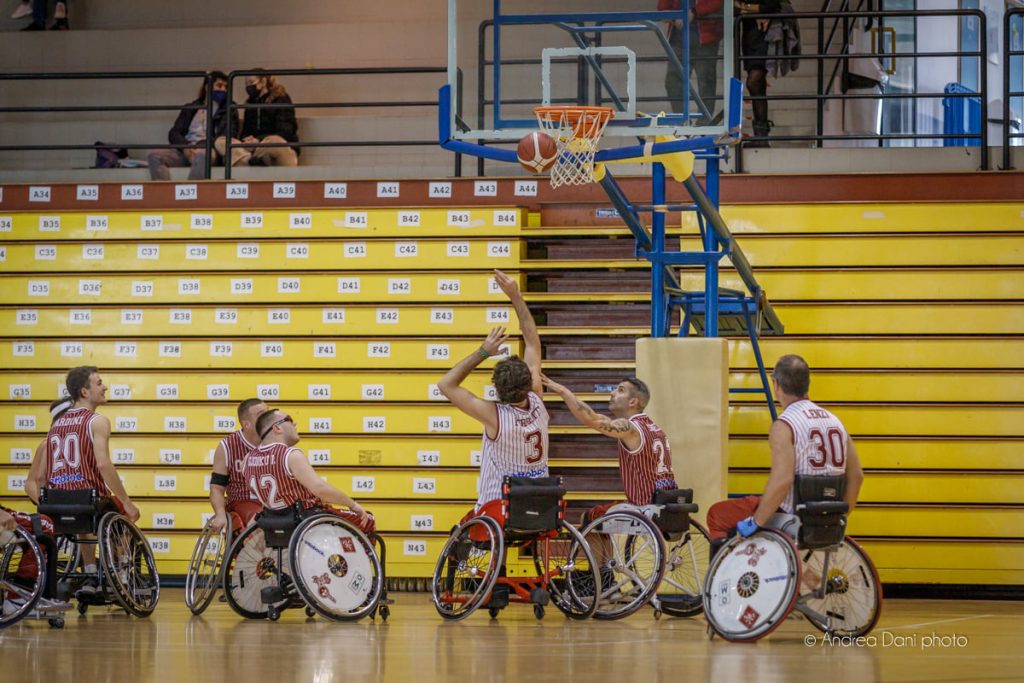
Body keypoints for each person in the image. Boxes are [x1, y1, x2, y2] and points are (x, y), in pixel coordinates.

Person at [706, 354, 864, 541]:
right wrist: (840, 517)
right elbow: (857, 476)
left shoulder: (784, 425)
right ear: (807, 384)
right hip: (827, 515)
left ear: (776, 385)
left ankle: (724, 569)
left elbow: (782, 481)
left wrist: (756, 522)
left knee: (717, 514)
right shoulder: (835, 422)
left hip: (791, 516)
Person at [437, 270, 547, 530]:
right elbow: (532, 341)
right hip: (540, 505)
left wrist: (484, 351)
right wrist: (516, 296)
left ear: (496, 389)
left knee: (461, 530)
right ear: (529, 382)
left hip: (498, 508)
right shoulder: (538, 401)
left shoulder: (494, 416)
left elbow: (445, 384)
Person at [25, 366, 141, 597]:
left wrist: (46, 502)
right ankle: (124, 576)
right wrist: (127, 501)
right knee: (123, 515)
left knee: (81, 519)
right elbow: (103, 464)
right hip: (89, 499)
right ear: (84, 392)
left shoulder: (54, 427)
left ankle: (89, 572)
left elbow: (37, 479)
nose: (104, 386)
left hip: (57, 503)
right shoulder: (97, 421)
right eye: (99, 383)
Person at [542, 376, 676, 525]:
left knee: (589, 518)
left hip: (644, 507)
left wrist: (562, 391)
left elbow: (592, 419)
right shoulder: (655, 429)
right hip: (669, 502)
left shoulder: (631, 428)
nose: (612, 393)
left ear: (633, 402)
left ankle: (598, 548)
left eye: (620, 390)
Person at [244, 409, 373, 533]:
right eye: (289, 419)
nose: (294, 423)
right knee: (369, 520)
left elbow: (254, 490)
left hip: (273, 522)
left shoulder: (247, 459)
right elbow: (319, 488)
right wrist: (352, 505)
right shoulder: (290, 455)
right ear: (277, 428)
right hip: (305, 519)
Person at [147, 72, 240, 181]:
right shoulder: (190, 108)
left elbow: (226, 136)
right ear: (207, 87)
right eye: (219, 85)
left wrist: (201, 146)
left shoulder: (229, 110)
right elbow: (174, 133)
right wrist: (186, 147)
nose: (223, 90)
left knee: (201, 154)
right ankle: (163, 195)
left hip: (209, 150)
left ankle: (190, 194)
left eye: (226, 87)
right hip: (186, 150)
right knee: (154, 155)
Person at [215, 69, 299, 168]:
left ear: (263, 82)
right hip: (254, 149)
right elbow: (245, 131)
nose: (248, 87)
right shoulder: (250, 104)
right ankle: (249, 161)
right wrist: (247, 141)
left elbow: (286, 132)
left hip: (276, 146)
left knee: (274, 140)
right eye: (246, 84)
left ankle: (254, 161)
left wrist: (258, 141)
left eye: (251, 82)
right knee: (221, 141)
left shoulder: (281, 99)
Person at [208, 398, 267, 533]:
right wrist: (220, 513)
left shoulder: (275, 440)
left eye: (268, 412)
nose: (267, 417)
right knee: (259, 519)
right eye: (261, 414)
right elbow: (216, 488)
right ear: (247, 424)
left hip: (272, 504)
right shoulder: (227, 446)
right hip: (243, 503)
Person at [660, 0, 723, 124]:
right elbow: (662, 7)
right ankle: (683, 121)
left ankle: (703, 125)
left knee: (706, 82)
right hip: (679, 39)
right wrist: (675, 17)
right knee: (673, 81)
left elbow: (717, 3)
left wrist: (694, 11)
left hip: (706, 38)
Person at [735, 0, 781, 146]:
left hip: (764, 36)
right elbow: (731, 7)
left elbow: (771, 6)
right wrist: (753, 11)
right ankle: (761, 136)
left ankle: (762, 135)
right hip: (750, 37)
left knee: (754, 82)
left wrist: (746, 9)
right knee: (758, 86)